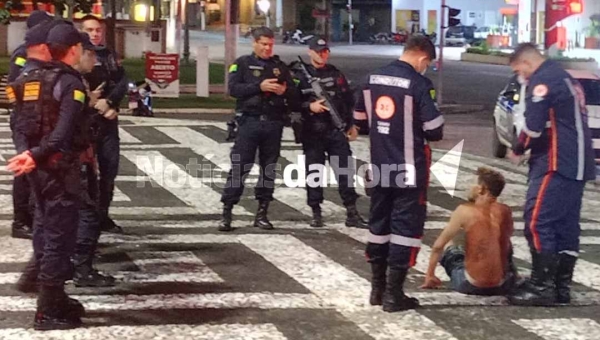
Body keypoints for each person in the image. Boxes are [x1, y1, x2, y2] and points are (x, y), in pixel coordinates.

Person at [353, 35, 444, 312]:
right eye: (427, 63)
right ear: (422, 58)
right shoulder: (419, 84)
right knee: (405, 229)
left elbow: (359, 121)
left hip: (380, 166)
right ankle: (394, 295)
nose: (425, 67)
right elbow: (435, 130)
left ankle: (377, 290)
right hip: (409, 170)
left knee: (378, 226)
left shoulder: (371, 79)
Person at [7, 22, 88, 330]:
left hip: (36, 171)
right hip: (58, 169)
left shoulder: (30, 78)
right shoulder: (70, 83)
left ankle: (52, 297)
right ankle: (48, 309)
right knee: (59, 238)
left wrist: (27, 155)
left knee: (44, 228)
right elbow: (62, 134)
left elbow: (19, 126)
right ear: (73, 49)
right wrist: (35, 156)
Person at [506, 43, 596, 306]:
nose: (520, 76)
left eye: (519, 70)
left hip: (556, 161)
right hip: (578, 162)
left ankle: (540, 285)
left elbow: (532, 127)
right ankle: (560, 286)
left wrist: (518, 148)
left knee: (538, 221)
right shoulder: (563, 76)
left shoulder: (542, 80)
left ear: (526, 63)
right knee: (566, 225)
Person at [218, 26, 299, 232]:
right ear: (254, 43)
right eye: (263, 44)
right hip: (249, 122)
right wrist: (259, 87)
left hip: (273, 123)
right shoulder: (242, 64)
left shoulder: (279, 67)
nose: (267, 48)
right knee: (240, 166)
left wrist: (284, 90)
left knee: (269, 168)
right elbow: (233, 89)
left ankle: (262, 212)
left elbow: (294, 94)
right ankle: (227, 212)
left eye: (270, 44)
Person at [288, 37, 366, 228]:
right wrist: (309, 106)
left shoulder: (335, 74)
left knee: (345, 171)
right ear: (310, 52)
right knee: (314, 172)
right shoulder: (299, 76)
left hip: (335, 131)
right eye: (318, 51)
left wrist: (353, 125)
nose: (322, 55)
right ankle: (316, 211)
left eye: (325, 51)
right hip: (312, 132)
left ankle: (351, 211)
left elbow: (349, 100)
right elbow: (291, 104)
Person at [420, 167, 517, 295]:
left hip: (471, 284)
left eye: (473, 184)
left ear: (481, 189)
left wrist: (429, 275)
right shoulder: (505, 210)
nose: (468, 187)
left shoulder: (464, 211)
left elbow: (438, 246)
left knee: (451, 244)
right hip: (502, 285)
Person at [71, 32, 117, 287]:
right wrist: (91, 105)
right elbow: (70, 124)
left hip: (72, 158)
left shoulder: (71, 79)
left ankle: (57, 269)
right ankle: (81, 269)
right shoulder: (71, 82)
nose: (95, 61)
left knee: (64, 216)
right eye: (91, 54)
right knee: (88, 213)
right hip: (74, 159)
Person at [8, 10, 54, 240]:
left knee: (34, 170)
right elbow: (16, 86)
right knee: (24, 171)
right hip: (25, 120)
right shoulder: (22, 54)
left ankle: (32, 216)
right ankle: (20, 220)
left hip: (35, 118)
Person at [80, 14, 128, 234]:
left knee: (109, 170)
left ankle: (103, 215)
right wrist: (92, 102)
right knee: (86, 174)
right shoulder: (78, 55)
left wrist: (109, 103)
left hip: (108, 119)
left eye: (98, 30)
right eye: (90, 30)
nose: (95, 34)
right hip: (85, 122)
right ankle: (85, 219)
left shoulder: (109, 55)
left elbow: (121, 82)